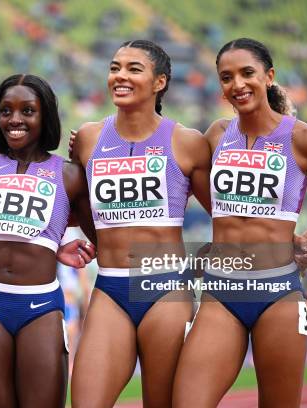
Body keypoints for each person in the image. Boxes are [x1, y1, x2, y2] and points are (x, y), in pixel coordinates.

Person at [172, 37, 307, 407]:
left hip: (278, 293)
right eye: (226, 77)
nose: (238, 84)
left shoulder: (305, 139)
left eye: (247, 73)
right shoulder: (216, 135)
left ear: (269, 76)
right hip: (221, 292)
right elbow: (191, 184)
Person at [69, 39, 212, 407]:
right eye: (115, 67)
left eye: (134, 69)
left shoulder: (186, 142)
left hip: (166, 288)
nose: (120, 76)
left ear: (160, 82)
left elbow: (226, 214)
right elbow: (79, 204)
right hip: (111, 287)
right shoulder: (88, 138)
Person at [0, 74, 96, 408]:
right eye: (6, 111)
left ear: (45, 115)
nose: (15, 119)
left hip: (39, 305)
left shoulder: (70, 175)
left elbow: (103, 234)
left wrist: (51, 243)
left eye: (27, 110)